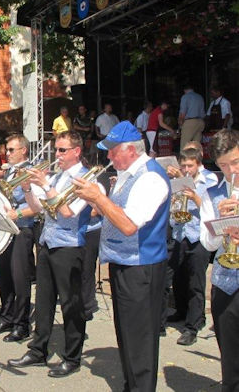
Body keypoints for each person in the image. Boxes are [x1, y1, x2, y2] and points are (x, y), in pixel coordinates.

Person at [73, 121, 170, 392]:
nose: (108, 157)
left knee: (139, 337)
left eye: (112, 151)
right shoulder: (128, 173)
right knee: (127, 333)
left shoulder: (150, 177)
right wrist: (95, 200)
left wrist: (100, 199)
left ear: (130, 150)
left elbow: (128, 224)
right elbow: (114, 214)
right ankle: (132, 385)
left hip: (141, 266)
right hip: (124, 262)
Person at [8, 131, 94, 378]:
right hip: (47, 243)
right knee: (44, 301)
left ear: (77, 151)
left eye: (62, 150)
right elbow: (37, 210)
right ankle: (37, 350)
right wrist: (26, 189)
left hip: (69, 247)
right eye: (56, 150)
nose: (57, 155)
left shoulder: (87, 179)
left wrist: (46, 185)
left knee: (71, 303)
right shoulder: (57, 176)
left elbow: (68, 213)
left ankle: (72, 357)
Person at [163, 147, 218, 346]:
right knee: (178, 278)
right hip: (180, 233)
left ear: (198, 164)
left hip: (199, 236)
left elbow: (213, 208)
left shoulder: (209, 180)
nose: (186, 169)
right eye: (183, 165)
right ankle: (181, 311)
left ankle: (193, 326)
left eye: (190, 166)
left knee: (196, 282)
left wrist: (195, 196)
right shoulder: (178, 179)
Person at [199, 129, 239, 392]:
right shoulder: (212, 193)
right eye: (224, 165)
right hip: (225, 281)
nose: (231, 170)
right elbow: (207, 242)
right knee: (230, 356)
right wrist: (221, 227)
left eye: (235, 162)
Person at [0, 134, 36, 343]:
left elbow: (37, 204)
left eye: (11, 150)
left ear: (23, 150)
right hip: (5, 229)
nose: (6, 154)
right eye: (7, 150)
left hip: (22, 229)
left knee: (20, 279)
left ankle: (21, 324)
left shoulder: (33, 171)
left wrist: (18, 214)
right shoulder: (9, 172)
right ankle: (6, 317)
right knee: (3, 276)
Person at [178, 85, 206, 150]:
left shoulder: (185, 97)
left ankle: (184, 159)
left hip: (190, 122)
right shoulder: (200, 97)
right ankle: (197, 159)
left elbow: (183, 112)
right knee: (197, 145)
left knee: (184, 144)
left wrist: (180, 122)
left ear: (185, 90)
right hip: (200, 121)